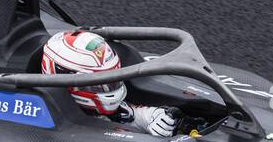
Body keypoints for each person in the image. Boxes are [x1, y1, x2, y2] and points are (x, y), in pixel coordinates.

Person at [40, 30, 177, 136]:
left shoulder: (100, 110)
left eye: (111, 79)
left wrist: (156, 116)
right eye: (97, 83)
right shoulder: (44, 118)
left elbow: (128, 114)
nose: (108, 88)